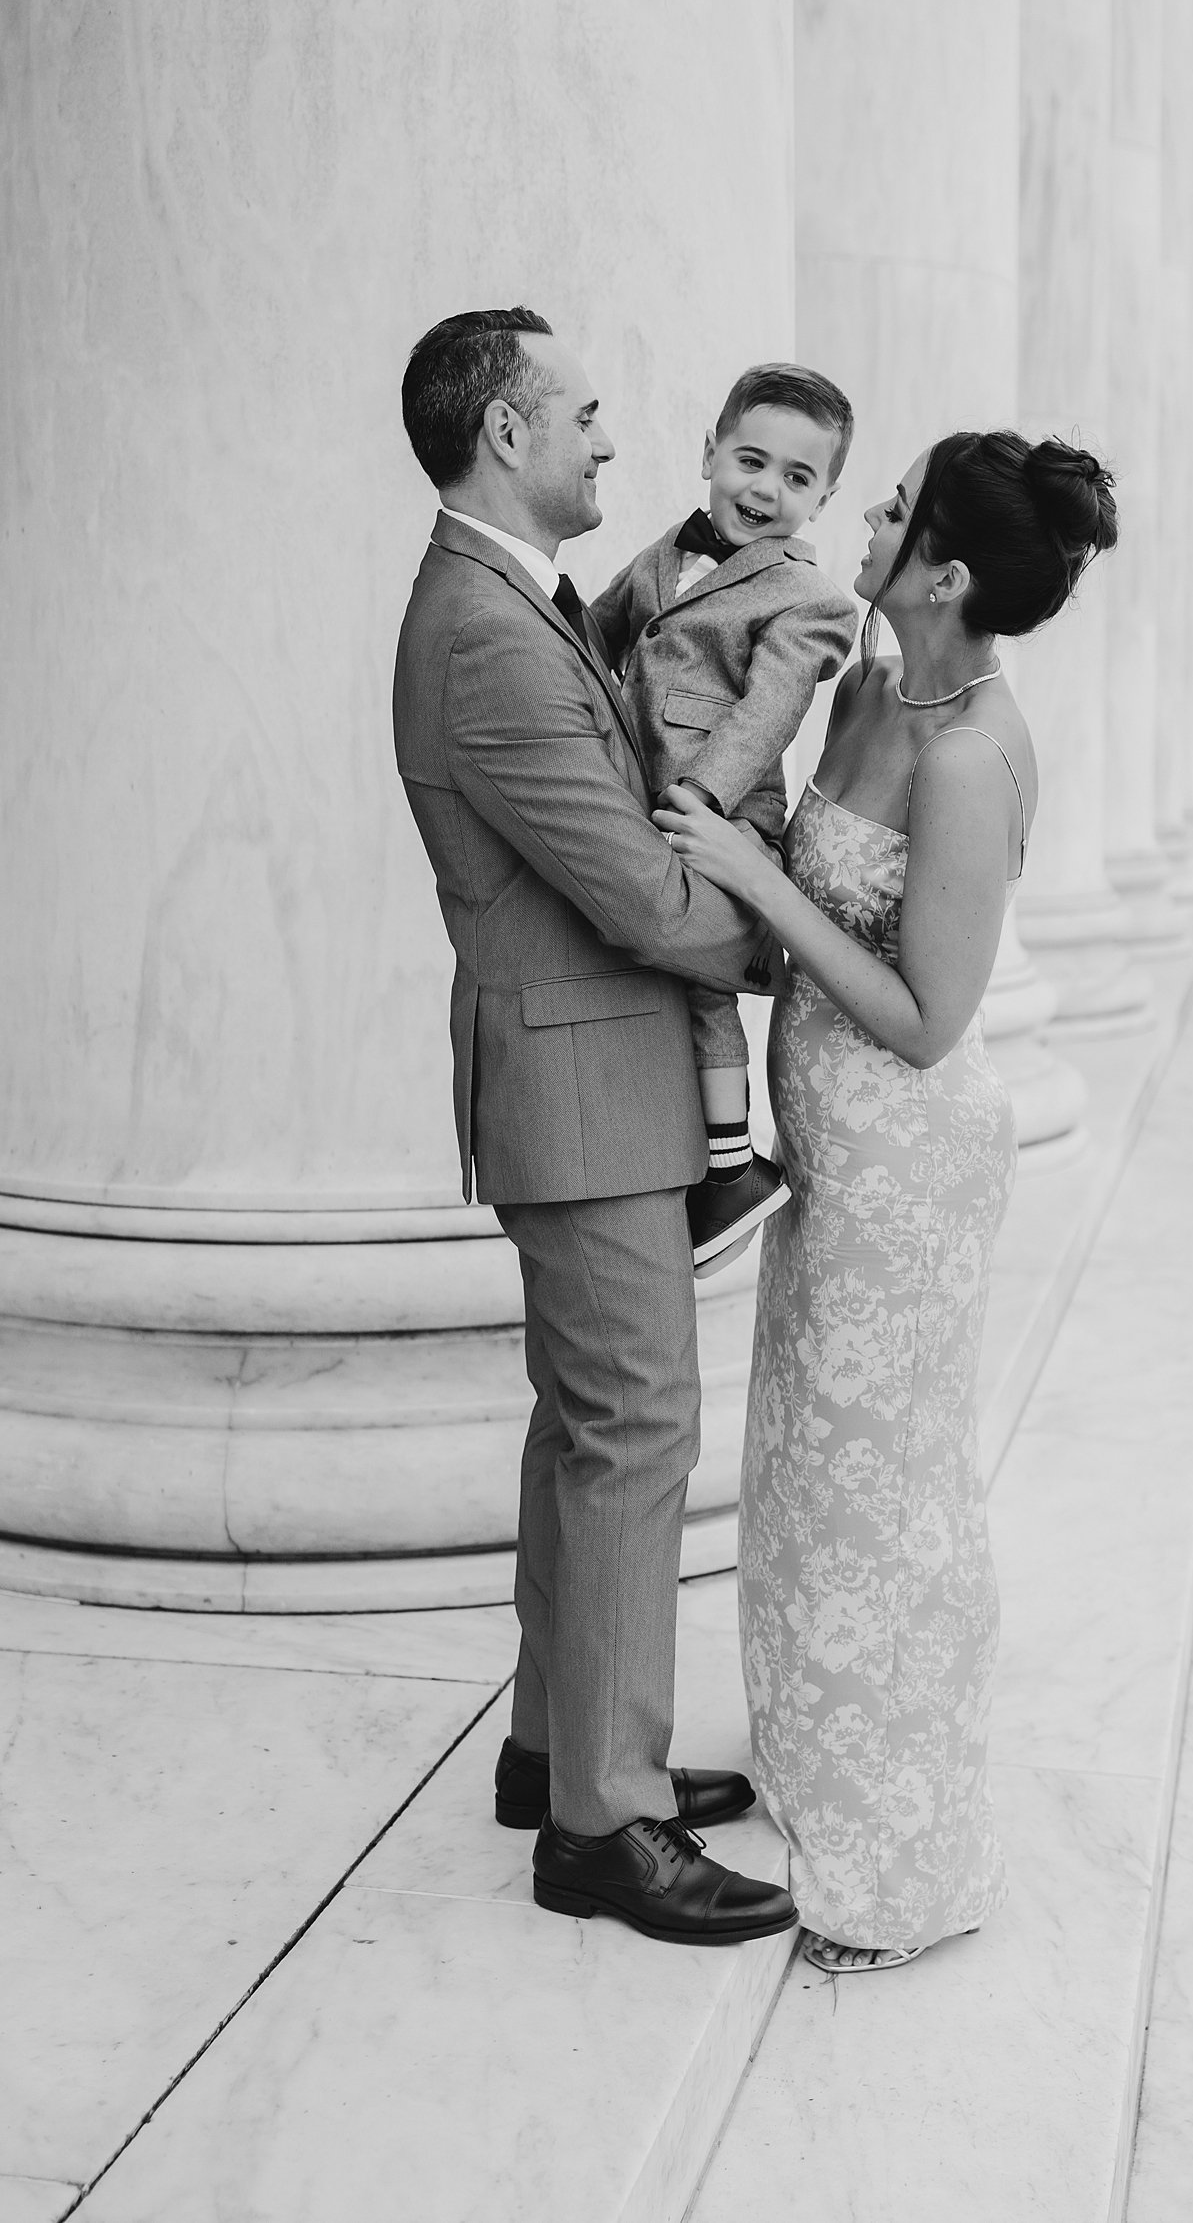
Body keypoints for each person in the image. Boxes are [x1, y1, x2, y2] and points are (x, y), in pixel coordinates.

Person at [653, 431, 1118, 1971]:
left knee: (888, 1502)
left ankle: (908, 1866)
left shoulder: (972, 755)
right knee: (800, 1474)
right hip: (828, 1161)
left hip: (909, 1173)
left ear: (949, 569)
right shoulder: (865, 682)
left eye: (895, 506)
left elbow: (926, 1018)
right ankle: (811, 1759)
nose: (865, 519)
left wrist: (761, 881)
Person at [393, 306, 798, 1949]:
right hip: (581, 1084)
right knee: (636, 1434)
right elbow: (638, 891)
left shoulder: (516, 597)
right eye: (586, 413)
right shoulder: (485, 629)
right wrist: (790, 934)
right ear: (508, 431)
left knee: (582, 1431)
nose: (610, 441)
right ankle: (607, 1831)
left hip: (584, 1076)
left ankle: (558, 1750)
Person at [591, 364, 859, 1273]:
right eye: (752, 461)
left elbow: (768, 710)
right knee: (647, 967)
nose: (766, 490)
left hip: (723, 816)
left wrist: (703, 796)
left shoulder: (810, 598)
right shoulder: (668, 552)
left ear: (823, 497)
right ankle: (668, 1138)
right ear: (711, 452)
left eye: (797, 479)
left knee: (703, 973)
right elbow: (600, 633)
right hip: (635, 793)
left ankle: (732, 1165)